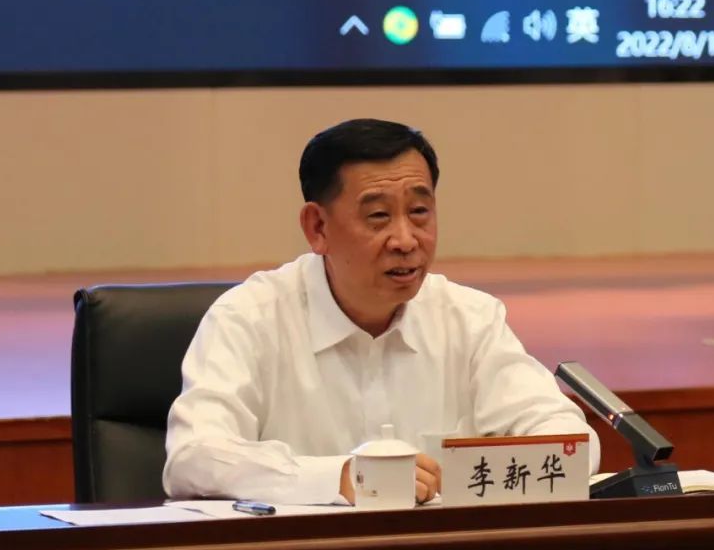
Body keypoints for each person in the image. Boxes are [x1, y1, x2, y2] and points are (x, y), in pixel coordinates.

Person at [164, 118, 599, 505]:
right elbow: (194, 457)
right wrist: (337, 478)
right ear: (317, 227)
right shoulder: (249, 318)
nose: (406, 240)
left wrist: (476, 473)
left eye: (419, 212)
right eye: (378, 216)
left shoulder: (470, 318)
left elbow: (571, 442)